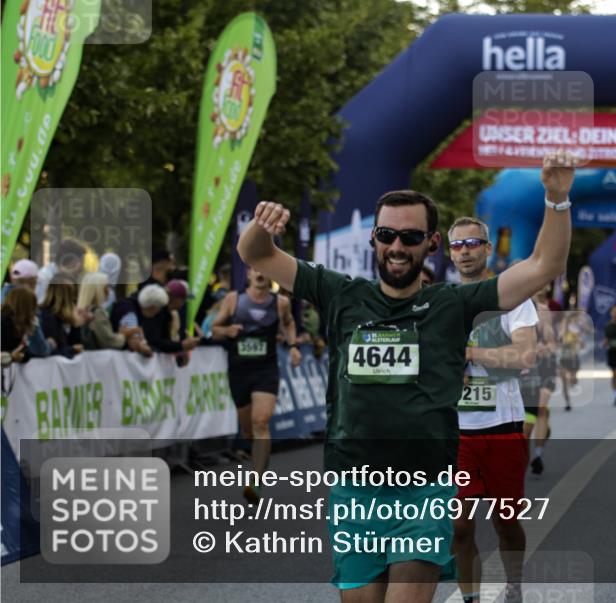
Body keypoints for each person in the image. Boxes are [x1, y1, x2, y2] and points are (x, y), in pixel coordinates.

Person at [236, 156, 574, 603]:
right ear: (374, 239)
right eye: (386, 235)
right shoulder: (342, 294)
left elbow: (544, 265)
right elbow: (256, 254)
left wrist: (556, 197)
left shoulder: (453, 303)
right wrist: (262, 226)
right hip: (354, 489)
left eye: (410, 237)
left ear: (431, 243)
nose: (397, 246)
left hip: (424, 489)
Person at [448, 217, 537, 603]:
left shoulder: (511, 297)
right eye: (457, 245)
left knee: (507, 523)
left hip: (503, 427)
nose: (465, 251)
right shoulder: (441, 302)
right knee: (459, 527)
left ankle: (514, 583)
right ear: (450, 253)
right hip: (456, 433)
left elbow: (524, 356)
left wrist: (469, 353)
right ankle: (471, 598)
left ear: (487, 248)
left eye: (473, 243)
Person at [212, 267, 301, 503]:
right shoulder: (234, 300)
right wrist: (227, 330)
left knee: (261, 422)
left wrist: (293, 346)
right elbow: (215, 329)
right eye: (255, 269)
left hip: (266, 370)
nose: (260, 273)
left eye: (264, 269)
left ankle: (257, 481)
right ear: (248, 275)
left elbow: (289, 323)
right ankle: (261, 457)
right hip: (239, 371)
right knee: (248, 431)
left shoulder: (280, 303)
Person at [524, 288, 557, 475]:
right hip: (522, 370)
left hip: (544, 367)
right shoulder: (508, 308)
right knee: (527, 419)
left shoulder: (542, 311)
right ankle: (540, 435)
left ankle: (537, 455)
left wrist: (542, 348)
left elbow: (551, 343)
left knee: (541, 408)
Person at [77, 272, 147, 353]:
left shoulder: (79, 311)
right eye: (105, 287)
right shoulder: (97, 312)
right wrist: (124, 335)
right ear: (98, 290)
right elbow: (108, 341)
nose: (108, 291)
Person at [136, 284, 199, 354]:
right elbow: (155, 341)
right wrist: (181, 346)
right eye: (183, 299)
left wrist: (180, 348)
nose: (184, 303)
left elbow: (165, 341)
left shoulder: (169, 315)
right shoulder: (157, 312)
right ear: (173, 298)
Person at [1, 287, 52, 364]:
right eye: (33, 306)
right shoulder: (4, 323)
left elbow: (37, 351)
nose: (36, 311)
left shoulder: (20, 324)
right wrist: (11, 355)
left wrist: (22, 356)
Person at [39, 277, 84, 358]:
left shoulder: (69, 315)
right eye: (71, 294)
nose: (74, 298)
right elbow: (49, 352)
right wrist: (72, 349)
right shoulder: (47, 317)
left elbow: (77, 342)